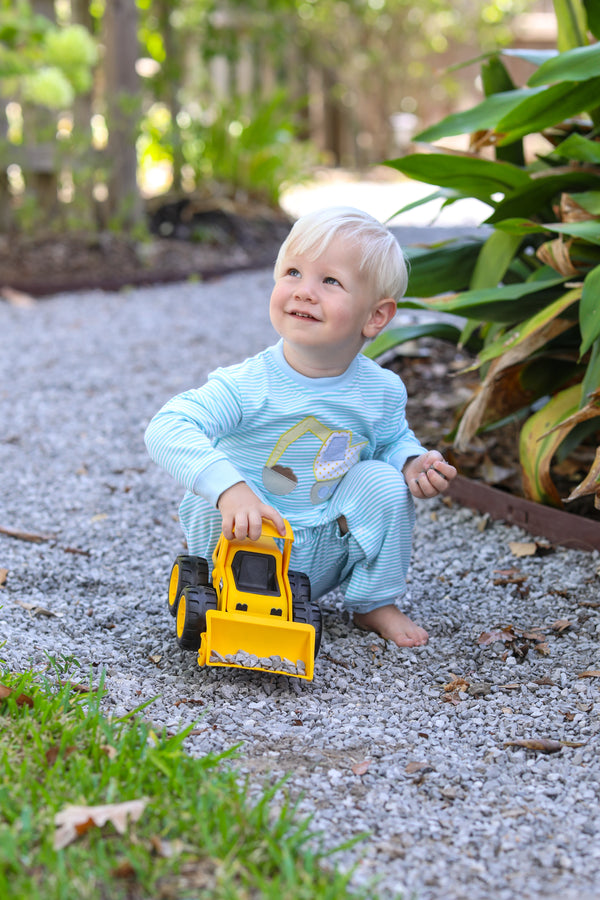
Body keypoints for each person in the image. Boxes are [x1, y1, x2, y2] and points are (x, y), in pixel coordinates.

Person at [145, 207, 457, 648]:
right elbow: (168, 425)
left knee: (385, 482)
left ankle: (373, 602)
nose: (304, 292)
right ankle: (220, 597)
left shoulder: (381, 389)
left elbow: (390, 441)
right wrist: (230, 489)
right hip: (247, 538)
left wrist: (411, 463)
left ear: (376, 316)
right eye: (292, 272)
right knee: (203, 499)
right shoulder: (249, 384)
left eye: (330, 281)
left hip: (326, 542)